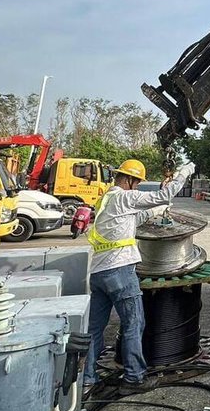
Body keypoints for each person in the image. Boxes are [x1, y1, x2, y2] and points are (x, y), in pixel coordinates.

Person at [83, 158, 195, 395]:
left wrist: (156, 211)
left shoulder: (107, 200)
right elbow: (164, 195)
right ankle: (134, 377)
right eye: (137, 183)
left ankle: (88, 379)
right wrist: (184, 172)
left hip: (98, 273)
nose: (137, 188)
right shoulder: (125, 197)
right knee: (134, 323)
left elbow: (134, 220)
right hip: (120, 271)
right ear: (130, 180)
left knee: (94, 328)